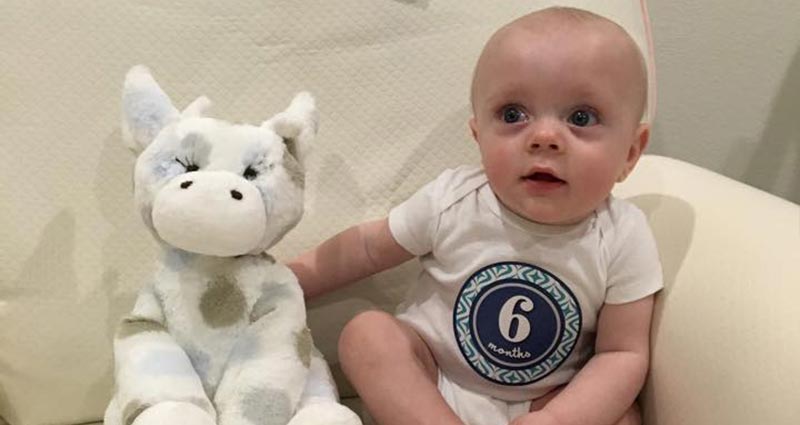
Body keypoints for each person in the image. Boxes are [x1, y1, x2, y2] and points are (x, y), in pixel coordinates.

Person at [288, 6, 662, 425]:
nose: (544, 137)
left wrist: (560, 417)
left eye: (581, 118)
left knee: (625, 416)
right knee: (366, 336)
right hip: (433, 384)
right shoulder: (453, 200)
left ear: (631, 152)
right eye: (513, 115)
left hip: (548, 402)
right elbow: (365, 248)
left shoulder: (623, 235)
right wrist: (285, 281)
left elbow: (622, 353)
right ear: (478, 135)